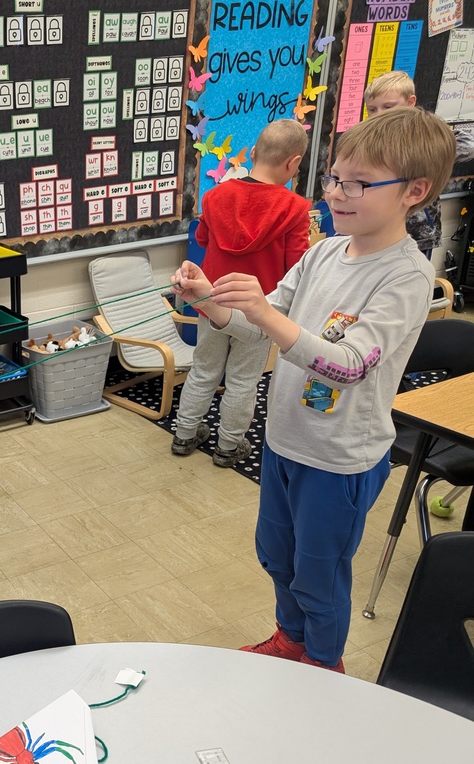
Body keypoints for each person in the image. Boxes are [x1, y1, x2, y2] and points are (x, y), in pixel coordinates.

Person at [171, 107, 455, 673]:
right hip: (284, 441)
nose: (335, 194)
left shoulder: (406, 275)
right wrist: (208, 300)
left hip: (338, 459)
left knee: (319, 575)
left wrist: (264, 312)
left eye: (358, 184)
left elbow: (349, 365)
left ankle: (324, 665)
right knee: (277, 557)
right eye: (333, 178)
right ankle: (290, 642)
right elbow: (258, 327)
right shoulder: (323, 253)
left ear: (415, 191)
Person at [171, 120, 312, 467]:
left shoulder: (215, 195)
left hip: (213, 301)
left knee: (203, 370)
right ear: (294, 163)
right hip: (258, 310)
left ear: (253, 153)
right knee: (243, 381)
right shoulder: (295, 208)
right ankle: (228, 446)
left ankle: (184, 434)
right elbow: (298, 265)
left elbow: (203, 239)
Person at [364, 70, 474, 258]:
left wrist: (423, 152)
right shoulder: (368, 138)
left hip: (418, 234)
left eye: (388, 107)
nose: (379, 115)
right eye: (372, 109)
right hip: (377, 230)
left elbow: (469, 145)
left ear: (410, 103)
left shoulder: (426, 133)